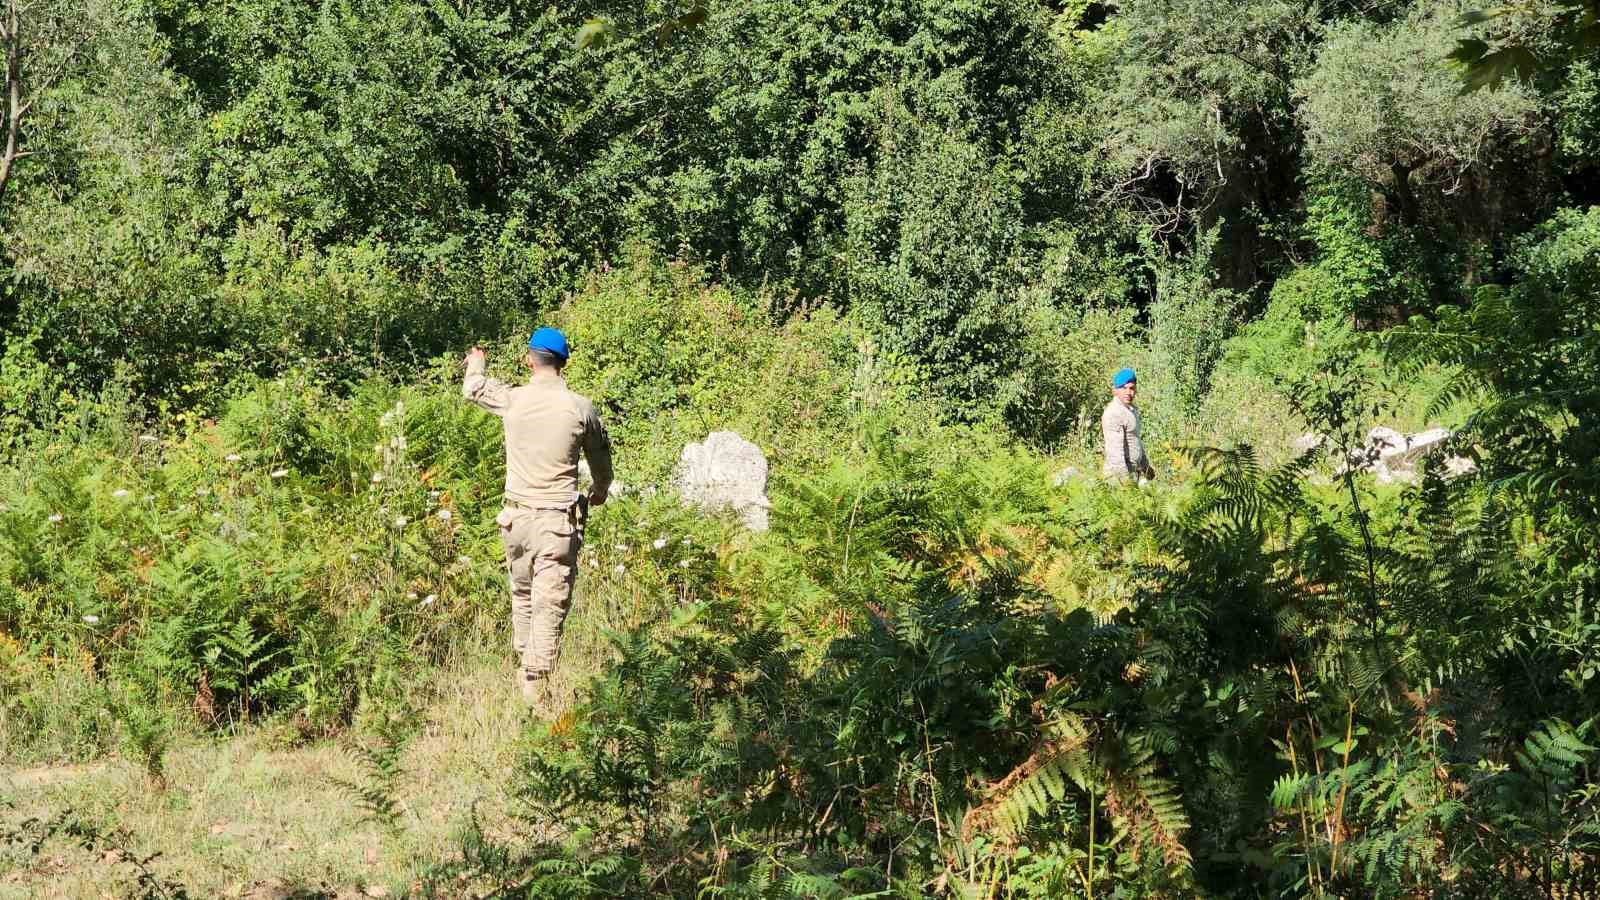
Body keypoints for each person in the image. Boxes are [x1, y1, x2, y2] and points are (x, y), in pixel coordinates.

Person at [462, 327, 613, 702]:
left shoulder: (513, 400)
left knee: (524, 595)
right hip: (556, 524)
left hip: (515, 522)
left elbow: (474, 388)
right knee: (549, 604)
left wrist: (477, 362)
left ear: (530, 360)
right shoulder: (580, 407)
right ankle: (533, 690)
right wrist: (600, 490)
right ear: (563, 363)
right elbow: (601, 459)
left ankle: (523, 669)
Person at [1101, 367, 1155, 483]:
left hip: (1133, 472)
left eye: (1131, 388)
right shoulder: (1114, 413)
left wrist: (1146, 467)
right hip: (1118, 477)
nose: (1128, 392)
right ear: (1115, 390)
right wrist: (1126, 482)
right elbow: (1115, 453)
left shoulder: (1131, 410)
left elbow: (1135, 441)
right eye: (1124, 388)